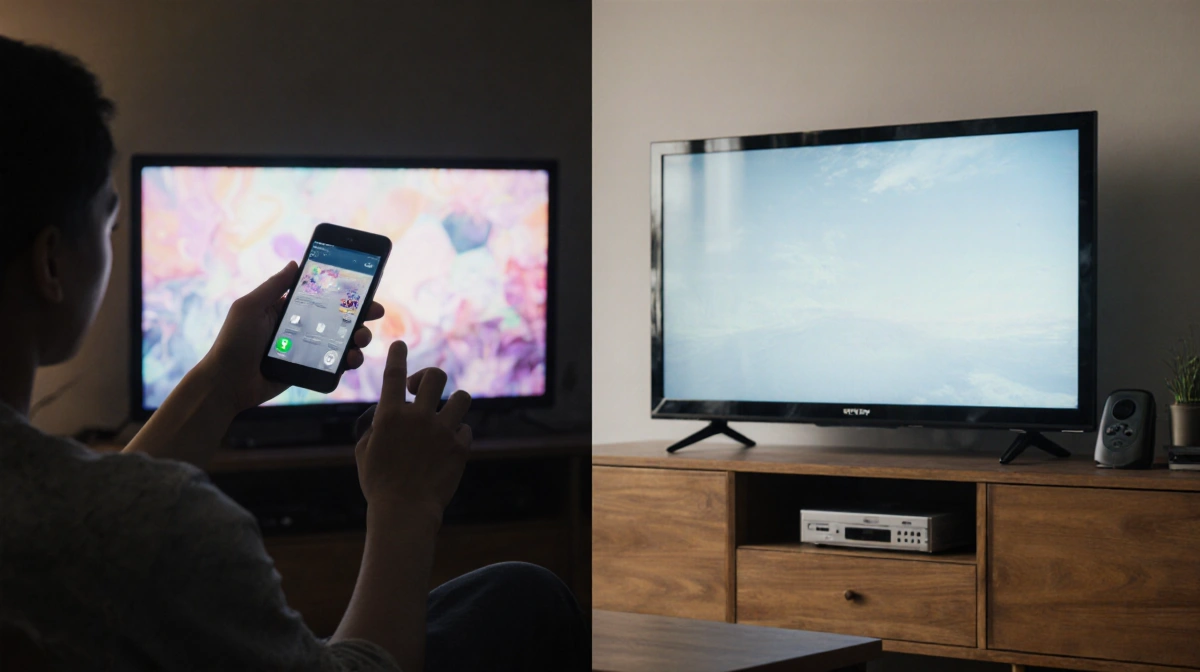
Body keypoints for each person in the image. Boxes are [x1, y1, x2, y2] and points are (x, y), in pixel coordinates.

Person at [0, 35, 587, 671]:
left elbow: (102, 531)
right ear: (52, 262)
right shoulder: (175, 529)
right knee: (527, 596)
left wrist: (220, 383)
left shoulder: (68, 516)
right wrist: (404, 505)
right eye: (110, 224)